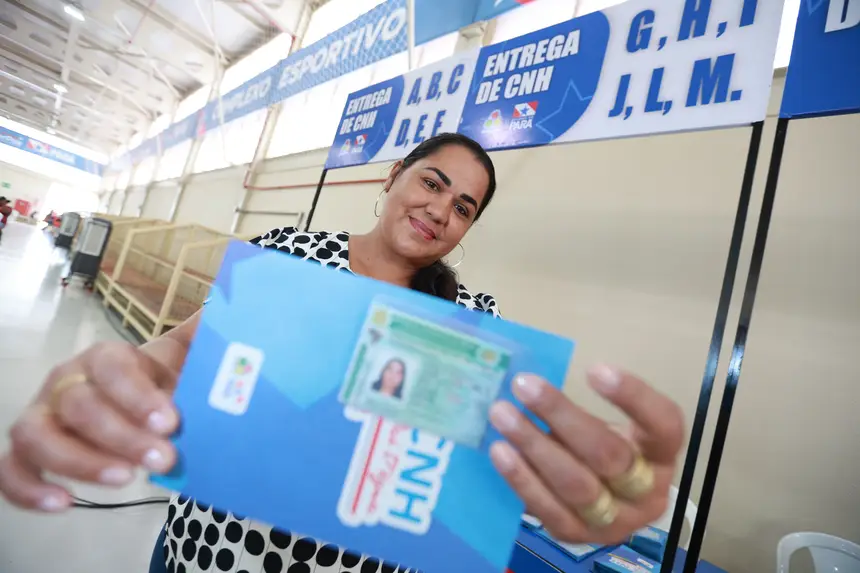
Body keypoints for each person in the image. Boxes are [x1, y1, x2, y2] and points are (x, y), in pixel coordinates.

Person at [0, 133, 684, 573]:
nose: (442, 209)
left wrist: (584, 491)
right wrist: (124, 373)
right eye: (434, 183)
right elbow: (184, 347)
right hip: (208, 552)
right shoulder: (291, 255)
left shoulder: (472, 322)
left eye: (465, 206)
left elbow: (482, 468)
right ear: (395, 176)